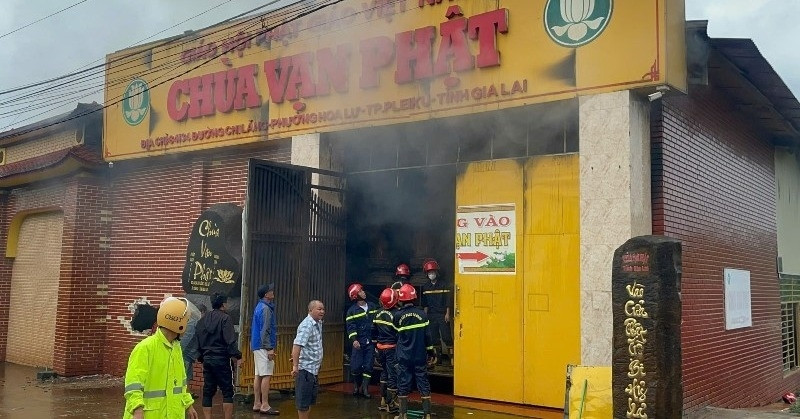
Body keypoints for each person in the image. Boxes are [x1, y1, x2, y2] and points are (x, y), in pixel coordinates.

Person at [123, 297, 199, 419]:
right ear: (178, 323)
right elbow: (133, 384)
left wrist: (188, 404)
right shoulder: (145, 348)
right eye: (187, 321)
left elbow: (180, 383)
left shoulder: (176, 347)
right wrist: (137, 410)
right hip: (150, 414)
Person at [193, 293, 242, 419]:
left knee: (208, 391)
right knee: (227, 391)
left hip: (207, 360)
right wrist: (238, 356)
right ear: (223, 304)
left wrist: (202, 357)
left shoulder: (202, 321)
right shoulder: (226, 319)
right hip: (222, 359)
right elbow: (230, 341)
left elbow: (197, 340)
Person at [393, 284, 434, 419]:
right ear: (414, 297)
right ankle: (427, 414)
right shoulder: (422, 314)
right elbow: (428, 336)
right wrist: (431, 352)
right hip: (419, 355)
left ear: (401, 299)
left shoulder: (397, 316)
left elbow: (396, 336)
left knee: (403, 383)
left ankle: (402, 414)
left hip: (404, 356)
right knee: (423, 382)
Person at [292, 300, 325, 419]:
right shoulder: (307, 325)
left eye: (323, 309)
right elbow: (297, 345)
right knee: (303, 403)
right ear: (310, 310)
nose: (322, 311)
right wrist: (295, 366)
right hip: (305, 370)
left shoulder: (318, 323)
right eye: (319, 309)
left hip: (313, 369)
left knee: (310, 401)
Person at [345, 283, 378, 398]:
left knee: (368, 366)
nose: (363, 292)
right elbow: (351, 327)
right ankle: (356, 386)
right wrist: (354, 340)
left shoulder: (373, 306)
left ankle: (365, 388)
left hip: (370, 342)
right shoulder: (352, 311)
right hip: (358, 342)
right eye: (360, 291)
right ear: (355, 295)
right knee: (356, 366)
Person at [250, 283, 279, 415]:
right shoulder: (266, 309)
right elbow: (265, 330)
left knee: (258, 375)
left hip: (257, 345)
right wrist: (269, 348)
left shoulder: (259, 307)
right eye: (270, 291)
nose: (272, 292)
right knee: (266, 374)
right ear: (266, 295)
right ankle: (265, 404)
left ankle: (257, 402)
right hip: (263, 346)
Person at [420, 259, 453, 366]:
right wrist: (425, 316)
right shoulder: (425, 287)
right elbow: (425, 304)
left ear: (436, 273)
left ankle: (452, 358)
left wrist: (448, 313)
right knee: (434, 337)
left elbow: (448, 301)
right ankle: (437, 358)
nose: (431, 274)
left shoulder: (444, 284)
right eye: (429, 273)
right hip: (431, 315)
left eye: (433, 272)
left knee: (446, 336)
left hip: (442, 314)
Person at [373, 287, 400, 413]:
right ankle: (392, 403)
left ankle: (383, 401)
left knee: (384, 373)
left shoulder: (377, 313)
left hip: (380, 348)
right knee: (392, 374)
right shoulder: (396, 314)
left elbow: (373, 331)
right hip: (391, 348)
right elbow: (399, 333)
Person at [181, 302, 206, 398]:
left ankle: (187, 392)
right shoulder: (193, 321)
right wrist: (180, 350)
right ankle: (184, 394)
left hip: (189, 353)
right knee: (185, 373)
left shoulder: (194, 321)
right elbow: (187, 337)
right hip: (187, 353)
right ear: (202, 312)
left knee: (188, 373)